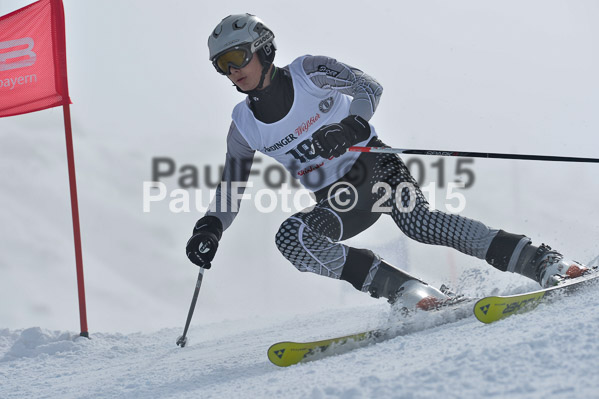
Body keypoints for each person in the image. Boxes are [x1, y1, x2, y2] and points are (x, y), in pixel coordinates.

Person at [186, 13, 589, 310]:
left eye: (237, 57)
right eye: (222, 65)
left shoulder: (310, 73)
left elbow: (368, 86)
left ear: (264, 49)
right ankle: (408, 291)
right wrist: (210, 228)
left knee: (418, 222)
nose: (232, 71)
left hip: (375, 169)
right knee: (293, 238)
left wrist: (350, 125)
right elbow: (232, 186)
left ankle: (542, 260)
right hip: (339, 200)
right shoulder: (243, 126)